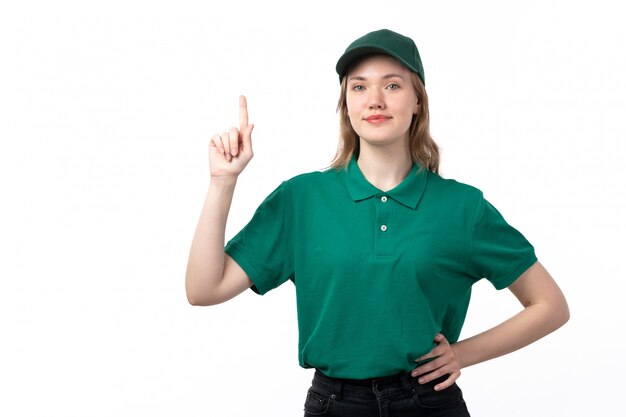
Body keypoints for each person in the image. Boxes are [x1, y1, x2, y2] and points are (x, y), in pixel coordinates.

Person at [185, 29, 570, 417]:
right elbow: (204, 289)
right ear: (346, 105)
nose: (375, 100)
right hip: (334, 405)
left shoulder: (462, 207)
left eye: (392, 85)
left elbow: (550, 305)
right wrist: (223, 182)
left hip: (428, 402)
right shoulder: (301, 199)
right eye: (359, 87)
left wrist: (461, 354)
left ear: (417, 100)